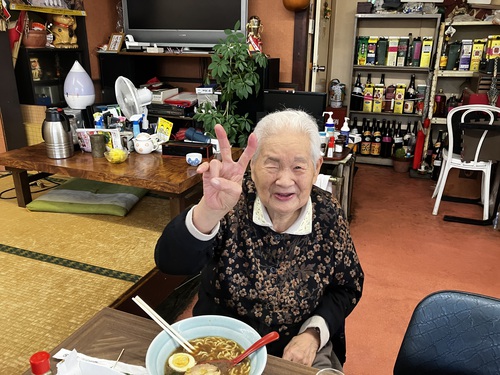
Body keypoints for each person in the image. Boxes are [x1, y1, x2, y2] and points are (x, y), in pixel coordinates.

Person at [155, 109, 364, 371]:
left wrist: (313, 335)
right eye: (272, 164)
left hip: (296, 346)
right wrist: (209, 211)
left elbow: (347, 287)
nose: (284, 180)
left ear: (316, 169)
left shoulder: (328, 213)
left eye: (298, 166)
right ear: (252, 167)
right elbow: (169, 263)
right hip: (223, 344)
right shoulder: (231, 201)